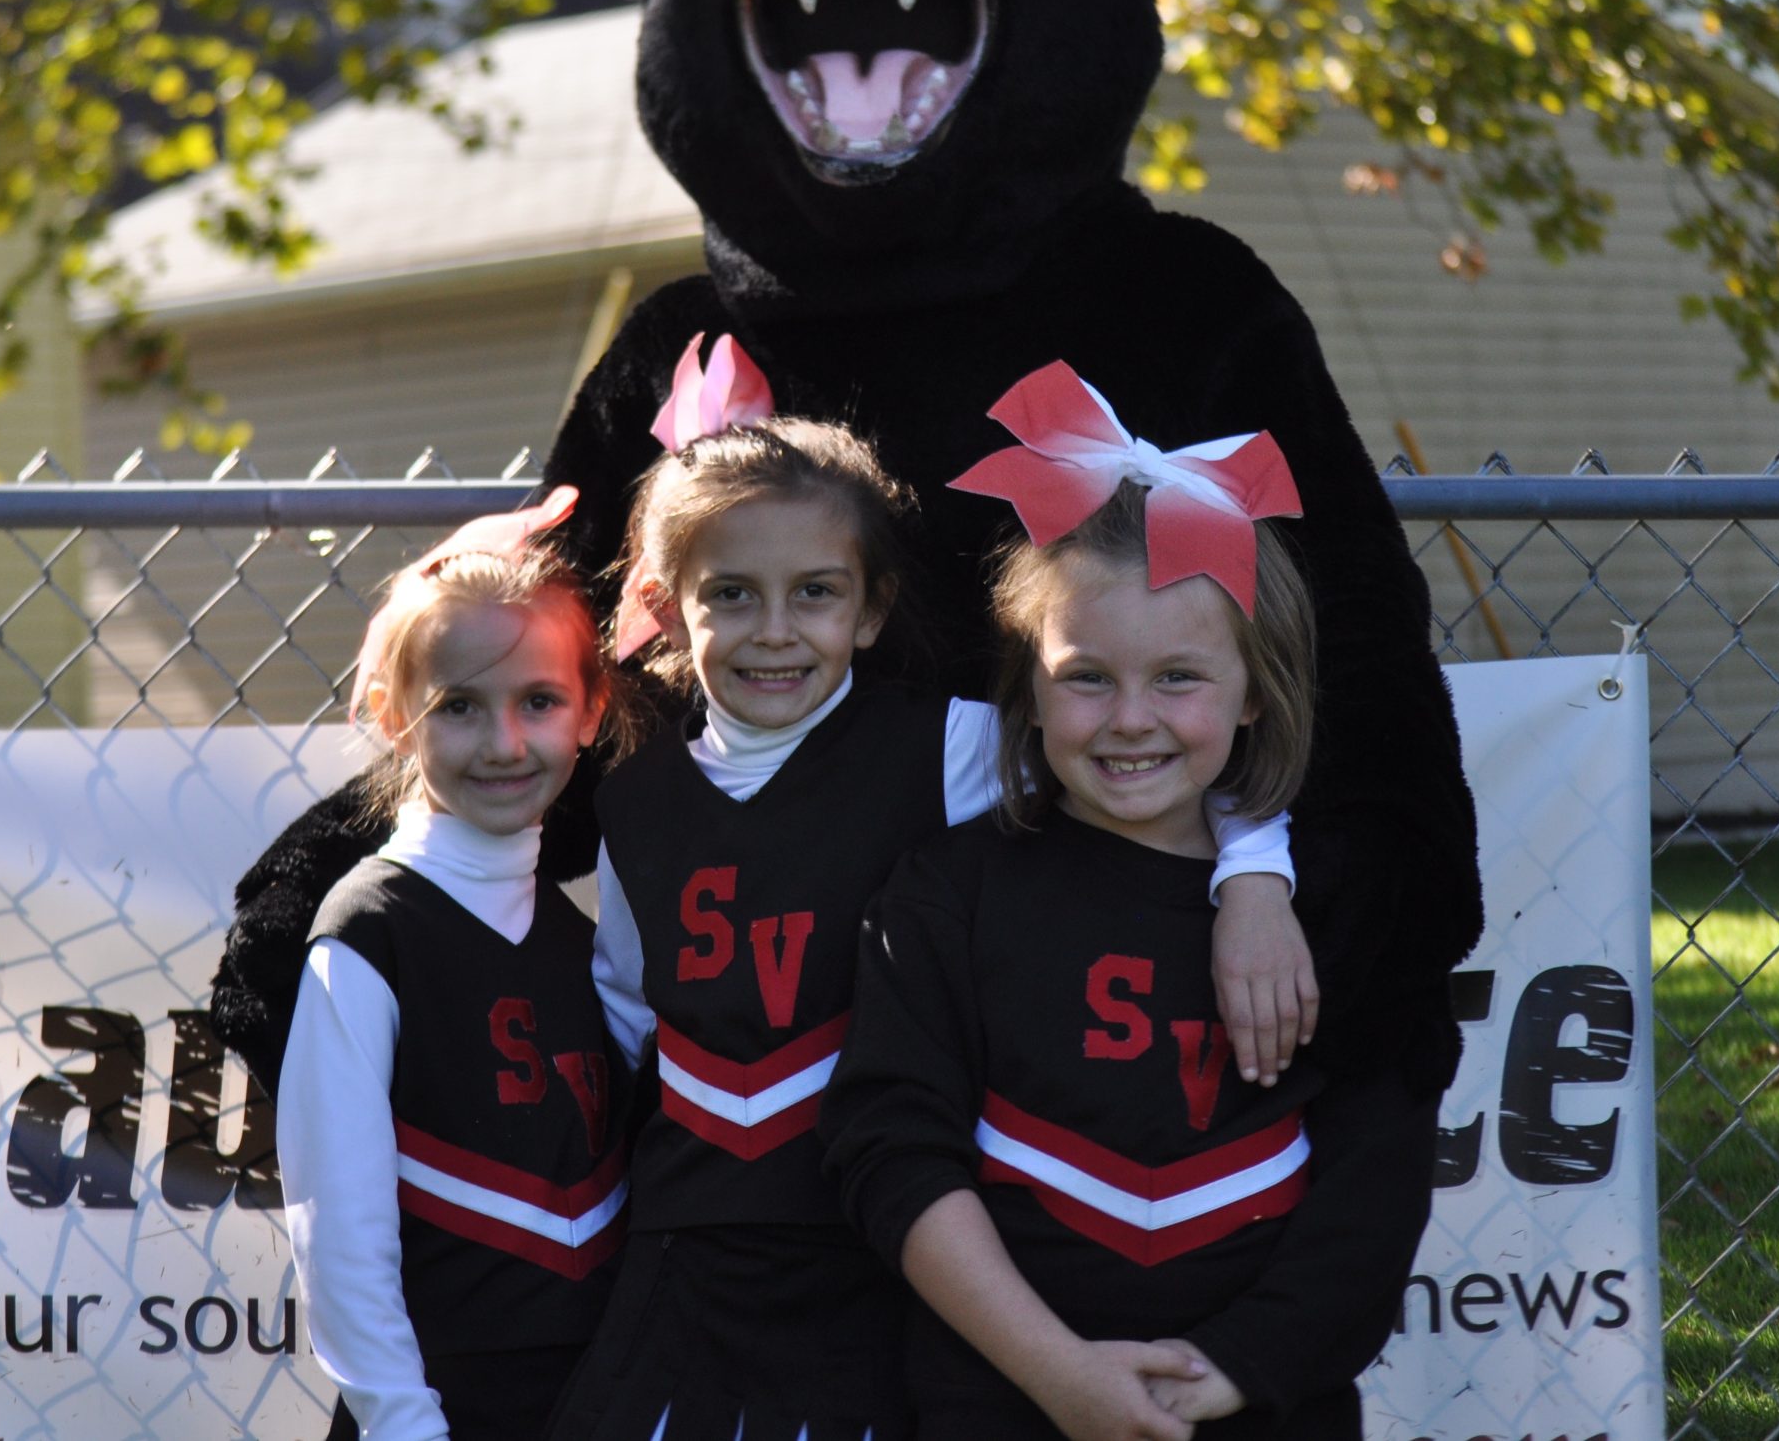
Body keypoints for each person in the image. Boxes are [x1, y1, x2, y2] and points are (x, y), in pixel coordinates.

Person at [550, 340, 1316, 1441]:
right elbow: (632, 1014)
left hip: (876, 1243)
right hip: (692, 1249)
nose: (775, 630)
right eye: (732, 595)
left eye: (816, 593)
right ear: (665, 607)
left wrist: (1253, 874)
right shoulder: (633, 797)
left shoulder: (952, 747)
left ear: (871, 610)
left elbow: (1142, 772)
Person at [821, 368, 1438, 1441]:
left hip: (1260, 1409)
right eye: (1086, 676)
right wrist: (1057, 1372)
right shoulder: (944, 896)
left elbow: (1377, 1182)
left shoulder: (1333, 916)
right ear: (1027, 685)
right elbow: (892, 1154)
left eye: (1179, 679)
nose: (1130, 719)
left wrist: (1239, 1367)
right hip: (999, 1402)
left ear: (1255, 691)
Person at [277, 488, 632, 1441]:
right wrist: (404, 1424)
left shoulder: (581, 940)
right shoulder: (368, 933)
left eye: (539, 701)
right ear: (394, 717)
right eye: (460, 706)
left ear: (592, 709)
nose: (505, 744)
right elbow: (336, 1232)